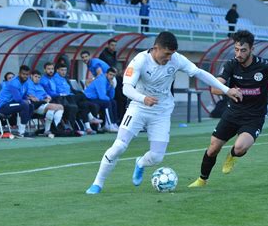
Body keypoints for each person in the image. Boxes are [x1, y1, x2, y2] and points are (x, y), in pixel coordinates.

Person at [85, 31, 243, 194]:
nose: (169, 58)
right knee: (119, 146)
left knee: (157, 157)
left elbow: (199, 73)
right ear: (156, 48)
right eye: (167, 53)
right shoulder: (140, 60)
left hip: (161, 111)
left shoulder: (176, 59)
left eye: (172, 54)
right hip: (138, 108)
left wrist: (226, 90)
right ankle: (97, 183)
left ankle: (140, 163)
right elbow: (126, 88)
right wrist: (143, 98)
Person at [188, 30, 268, 187]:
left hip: (254, 118)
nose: (239, 53)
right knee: (213, 148)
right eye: (236, 49)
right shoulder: (231, 65)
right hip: (231, 114)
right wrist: (227, 90)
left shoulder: (265, 65)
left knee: (239, 148)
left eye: (243, 50)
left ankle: (232, 155)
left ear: (252, 49)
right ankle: (202, 180)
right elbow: (214, 87)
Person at [0, 65, 34, 137]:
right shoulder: (13, 82)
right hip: (2, 106)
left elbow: (24, 96)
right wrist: (26, 100)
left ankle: (22, 128)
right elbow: (18, 99)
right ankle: (21, 132)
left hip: (11, 104)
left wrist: (29, 99)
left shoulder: (26, 83)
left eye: (27, 74)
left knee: (31, 105)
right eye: (23, 74)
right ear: (19, 73)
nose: (25, 76)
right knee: (24, 104)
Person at [27, 70, 64, 137]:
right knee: (57, 107)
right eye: (35, 76)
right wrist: (44, 99)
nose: (37, 79)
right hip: (35, 106)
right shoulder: (29, 84)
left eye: (39, 77)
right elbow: (35, 99)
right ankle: (54, 127)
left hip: (44, 104)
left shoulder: (39, 86)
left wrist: (48, 97)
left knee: (57, 109)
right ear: (31, 76)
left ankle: (48, 130)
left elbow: (46, 95)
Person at [84, 67, 119, 132]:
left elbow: (111, 97)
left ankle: (114, 123)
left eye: (113, 75)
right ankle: (109, 125)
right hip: (89, 98)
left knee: (113, 102)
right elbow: (102, 96)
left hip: (96, 98)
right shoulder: (101, 80)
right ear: (106, 74)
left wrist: (112, 87)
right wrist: (108, 99)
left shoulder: (109, 82)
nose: (111, 77)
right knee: (107, 102)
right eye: (110, 74)